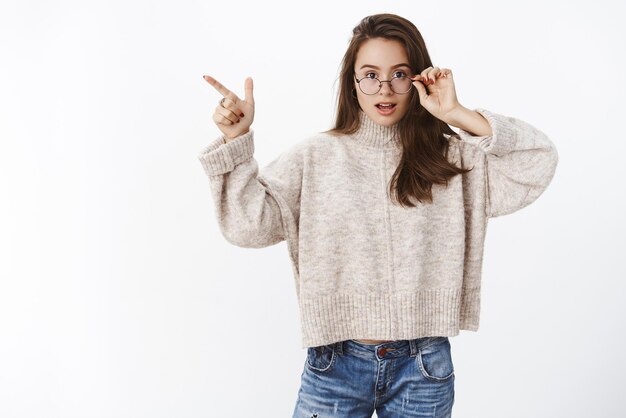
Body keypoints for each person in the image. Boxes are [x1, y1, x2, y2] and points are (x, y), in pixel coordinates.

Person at [198, 13, 558, 418]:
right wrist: (237, 142)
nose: (384, 89)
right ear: (353, 83)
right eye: (369, 75)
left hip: (422, 366)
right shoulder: (316, 156)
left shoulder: (453, 157)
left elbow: (537, 161)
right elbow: (248, 227)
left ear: (420, 79)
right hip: (335, 363)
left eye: (400, 74)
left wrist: (455, 113)